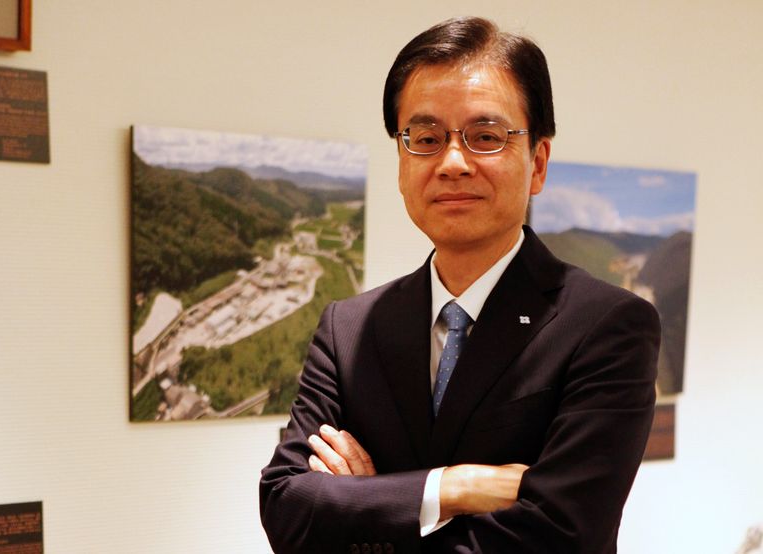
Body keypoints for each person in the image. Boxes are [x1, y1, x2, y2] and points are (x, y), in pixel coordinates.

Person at [260, 16, 659, 554]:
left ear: (537, 162)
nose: (451, 163)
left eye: (486, 137)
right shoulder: (348, 328)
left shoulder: (607, 326)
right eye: (425, 138)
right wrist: (452, 487)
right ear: (402, 161)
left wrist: (367, 509)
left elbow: (562, 535)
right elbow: (285, 507)